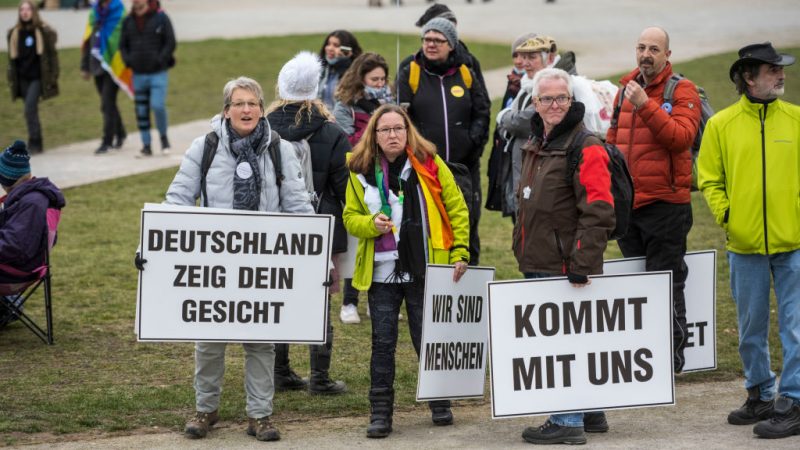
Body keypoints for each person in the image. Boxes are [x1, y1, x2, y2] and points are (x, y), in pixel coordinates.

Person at [147, 77, 314, 442]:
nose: (246, 110)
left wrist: (312, 258)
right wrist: (155, 248)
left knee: (260, 343)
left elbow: (298, 207)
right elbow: (178, 199)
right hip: (214, 267)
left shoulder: (278, 149)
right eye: (238, 103)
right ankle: (205, 409)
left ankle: (260, 415)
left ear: (260, 108)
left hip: (264, 266)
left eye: (253, 103)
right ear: (226, 111)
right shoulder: (204, 147)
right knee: (209, 341)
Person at [343, 103, 470, 438]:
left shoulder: (428, 163)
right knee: (382, 343)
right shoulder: (359, 170)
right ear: (375, 135)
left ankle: (440, 402)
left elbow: (456, 207)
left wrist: (460, 251)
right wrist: (371, 224)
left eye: (398, 128)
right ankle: (381, 413)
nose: (393, 135)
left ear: (408, 130)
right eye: (385, 130)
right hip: (382, 273)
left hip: (423, 267)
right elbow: (349, 217)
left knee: (427, 339)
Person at [698, 42, 800, 439]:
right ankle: (759, 392)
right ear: (748, 77)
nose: (781, 75)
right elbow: (709, 178)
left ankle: (792, 400)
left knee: (794, 326)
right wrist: (729, 216)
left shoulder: (795, 119)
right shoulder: (721, 124)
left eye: (780, 69)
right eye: (773, 70)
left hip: (793, 244)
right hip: (744, 247)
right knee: (750, 327)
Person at [513, 68, 615, 445]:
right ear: (535, 104)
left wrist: (581, 264)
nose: (554, 105)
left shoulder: (584, 144)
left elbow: (600, 209)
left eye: (561, 98)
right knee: (577, 340)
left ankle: (566, 419)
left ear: (571, 101)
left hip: (565, 264)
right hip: (541, 258)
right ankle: (590, 411)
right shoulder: (538, 139)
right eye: (546, 99)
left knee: (560, 345)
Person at [606, 26, 701, 374]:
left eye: (654, 49)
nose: (646, 54)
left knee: (667, 283)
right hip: (630, 206)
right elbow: (613, 139)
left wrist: (645, 105)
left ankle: (672, 360)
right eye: (641, 47)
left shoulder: (682, 89)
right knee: (640, 285)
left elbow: (681, 138)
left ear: (667, 56)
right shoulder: (625, 90)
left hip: (666, 205)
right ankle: (645, 355)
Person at [265, 52, 350, 395]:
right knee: (318, 301)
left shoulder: (264, 127)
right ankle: (320, 377)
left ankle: (280, 370)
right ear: (315, 90)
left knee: (278, 297)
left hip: (273, 224)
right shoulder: (331, 132)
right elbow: (345, 186)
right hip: (321, 225)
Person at [396, 17, 489, 266]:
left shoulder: (465, 73)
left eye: (438, 40)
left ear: (451, 45)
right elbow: (399, 117)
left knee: (466, 222)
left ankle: (469, 283)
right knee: (429, 225)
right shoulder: (411, 72)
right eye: (427, 39)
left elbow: (482, 111)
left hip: (463, 166)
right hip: (427, 168)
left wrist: (472, 143)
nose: (431, 44)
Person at [332, 52, 394, 324]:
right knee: (359, 240)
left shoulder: (390, 104)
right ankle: (349, 301)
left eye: (383, 79)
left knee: (386, 232)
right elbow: (346, 141)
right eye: (374, 79)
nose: (380, 84)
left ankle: (377, 298)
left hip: (388, 175)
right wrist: (373, 131)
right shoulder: (345, 106)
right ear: (361, 79)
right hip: (358, 177)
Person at [0, 140, 65, 326]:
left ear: (7, 180)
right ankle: (8, 306)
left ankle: (9, 305)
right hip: (24, 265)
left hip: (16, 271)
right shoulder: (32, 197)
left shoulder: (32, 202)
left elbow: (13, 246)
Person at [485, 32, 534, 215]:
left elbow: (520, 122)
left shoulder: (532, 84)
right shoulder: (513, 81)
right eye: (516, 55)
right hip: (508, 153)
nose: (520, 60)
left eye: (526, 56)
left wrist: (504, 118)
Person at [120, 0, 176, 157]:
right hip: (137, 74)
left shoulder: (161, 18)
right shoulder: (128, 20)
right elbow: (122, 45)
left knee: (158, 106)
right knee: (141, 111)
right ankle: (146, 145)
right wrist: (128, 60)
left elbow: (170, 42)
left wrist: (161, 59)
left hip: (158, 73)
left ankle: (164, 139)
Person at [6, 0, 59, 154]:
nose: (25, 12)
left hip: (37, 77)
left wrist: (53, 75)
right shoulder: (14, 33)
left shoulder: (42, 31)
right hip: (22, 78)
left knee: (29, 108)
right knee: (30, 110)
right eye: (22, 9)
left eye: (28, 9)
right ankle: (36, 141)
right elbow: (12, 59)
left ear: (34, 12)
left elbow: (52, 54)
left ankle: (35, 141)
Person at [80, 0, 132, 155]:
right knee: (108, 103)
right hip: (97, 63)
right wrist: (84, 66)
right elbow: (88, 39)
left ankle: (107, 141)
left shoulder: (119, 10)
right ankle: (121, 132)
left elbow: (124, 38)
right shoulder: (93, 12)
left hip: (114, 65)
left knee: (106, 103)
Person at [318, 30, 362, 110]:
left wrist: (344, 63)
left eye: (336, 45)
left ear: (347, 50)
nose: (330, 48)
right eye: (328, 44)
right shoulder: (320, 68)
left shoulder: (357, 73)